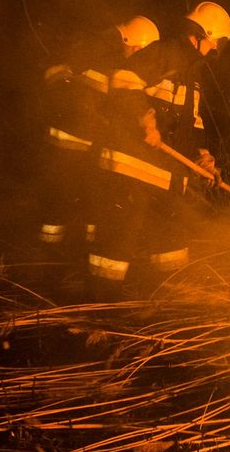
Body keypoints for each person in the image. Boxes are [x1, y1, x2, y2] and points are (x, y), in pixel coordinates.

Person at [86, 1, 230, 296]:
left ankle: (165, 304)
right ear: (205, 35)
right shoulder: (166, 52)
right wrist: (146, 118)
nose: (212, 51)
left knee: (170, 246)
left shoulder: (192, 74)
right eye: (213, 44)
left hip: (164, 177)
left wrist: (202, 159)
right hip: (131, 167)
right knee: (115, 249)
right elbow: (124, 79)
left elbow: (192, 125)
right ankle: (98, 307)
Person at [35, 15, 160, 274]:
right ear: (134, 44)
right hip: (71, 141)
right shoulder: (100, 50)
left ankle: (66, 258)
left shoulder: (102, 47)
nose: (136, 57)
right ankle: (48, 262)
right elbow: (64, 83)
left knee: (85, 200)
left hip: (84, 142)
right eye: (138, 51)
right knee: (63, 201)